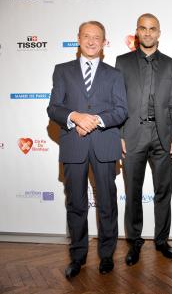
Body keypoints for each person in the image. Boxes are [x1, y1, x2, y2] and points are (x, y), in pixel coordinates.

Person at [47, 21, 127, 278]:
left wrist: (93, 121)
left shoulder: (114, 74)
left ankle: (106, 256)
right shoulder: (62, 71)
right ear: (78, 39)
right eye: (87, 36)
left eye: (97, 37)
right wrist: (74, 117)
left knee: (107, 204)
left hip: (104, 143)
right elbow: (54, 108)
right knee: (76, 204)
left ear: (104, 43)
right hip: (73, 145)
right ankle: (77, 256)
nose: (92, 41)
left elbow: (121, 110)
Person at [115, 13, 172, 264]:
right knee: (132, 192)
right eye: (143, 28)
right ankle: (134, 242)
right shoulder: (121, 62)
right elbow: (117, 103)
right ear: (137, 32)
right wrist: (119, 134)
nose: (147, 33)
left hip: (162, 136)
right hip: (132, 135)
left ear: (158, 33)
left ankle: (162, 240)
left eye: (152, 29)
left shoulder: (170, 64)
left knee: (163, 191)